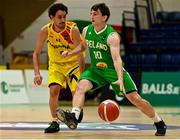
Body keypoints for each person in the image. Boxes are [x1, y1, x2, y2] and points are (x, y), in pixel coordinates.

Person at [56, 3, 167, 136]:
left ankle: (159, 122)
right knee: (80, 87)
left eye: (95, 14)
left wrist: (120, 78)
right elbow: (83, 46)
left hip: (112, 70)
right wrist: (70, 53)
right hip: (95, 70)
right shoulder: (86, 30)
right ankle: (74, 116)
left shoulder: (112, 36)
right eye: (91, 13)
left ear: (104, 17)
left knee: (136, 99)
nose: (92, 16)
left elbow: (116, 59)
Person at [33, 3, 85, 133]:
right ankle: (55, 122)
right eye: (59, 17)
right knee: (53, 91)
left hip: (73, 65)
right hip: (56, 65)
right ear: (52, 17)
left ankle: (76, 113)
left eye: (64, 17)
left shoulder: (73, 29)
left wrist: (83, 76)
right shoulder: (45, 31)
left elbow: (80, 51)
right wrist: (37, 73)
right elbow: (36, 53)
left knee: (77, 93)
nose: (62, 20)